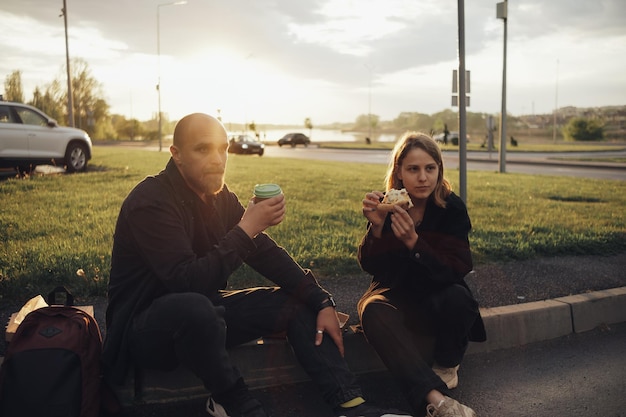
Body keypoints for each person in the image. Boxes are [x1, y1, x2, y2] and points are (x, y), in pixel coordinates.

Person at [102, 113, 411, 417]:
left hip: (206, 318)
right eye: (202, 149)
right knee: (195, 307)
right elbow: (186, 281)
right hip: (143, 331)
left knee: (293, 300)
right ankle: (235, 403)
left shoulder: (219, 197)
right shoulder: (152, 201)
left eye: (222, 148)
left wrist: (321, 299)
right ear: (176, 155)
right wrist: (247, 228)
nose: (217, 159)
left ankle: (350, 405)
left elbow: (263, 252)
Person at [357, 132, 486, 417]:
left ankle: (447, 362)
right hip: (396, 291)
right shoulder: (388, 206)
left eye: (430, 168)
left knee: (458, 297)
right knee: (371, 310)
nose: (423, 177)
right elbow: (372, 267)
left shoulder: (451, 208)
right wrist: (377, 228)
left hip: (438, 292)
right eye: (413, 169)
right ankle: (436, 401)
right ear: (399, 173)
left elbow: (458, 267)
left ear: (439, 170)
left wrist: (415, 244)